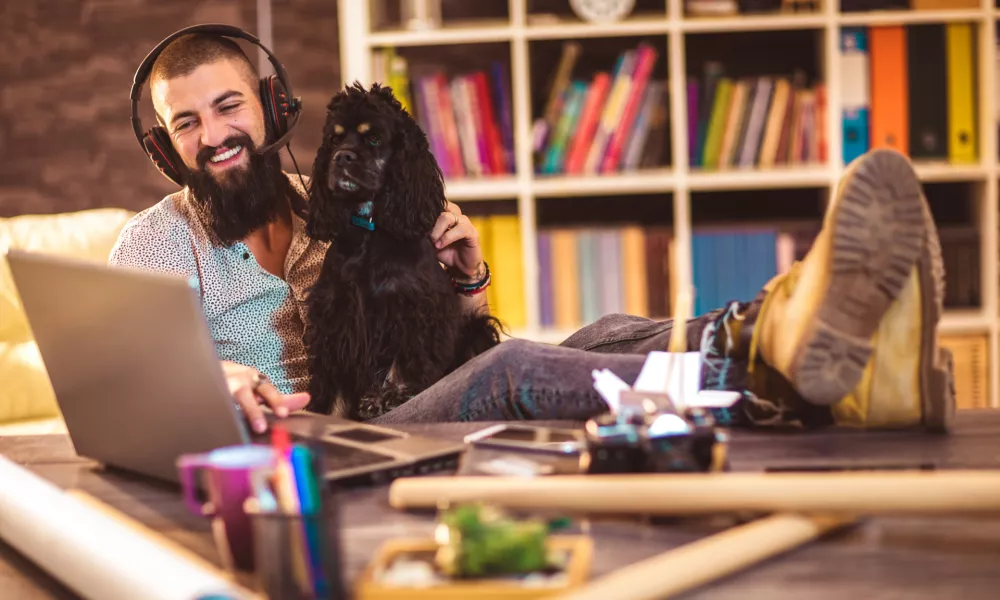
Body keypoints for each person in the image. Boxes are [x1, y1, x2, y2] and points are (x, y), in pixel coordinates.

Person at [110, 31, 953, 435]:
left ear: (270, 108)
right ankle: (772, 375)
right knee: (516, 370)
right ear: (163, 147)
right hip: (326, 444)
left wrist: (469, 282)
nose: (212, 134)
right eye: (184, 124)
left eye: (227, 106)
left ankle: (787, 323)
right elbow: (134, 389)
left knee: (602, 331)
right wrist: (213, 373)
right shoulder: (151, 247)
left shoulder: (329, 195)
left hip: (408, 398)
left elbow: (428, 326)